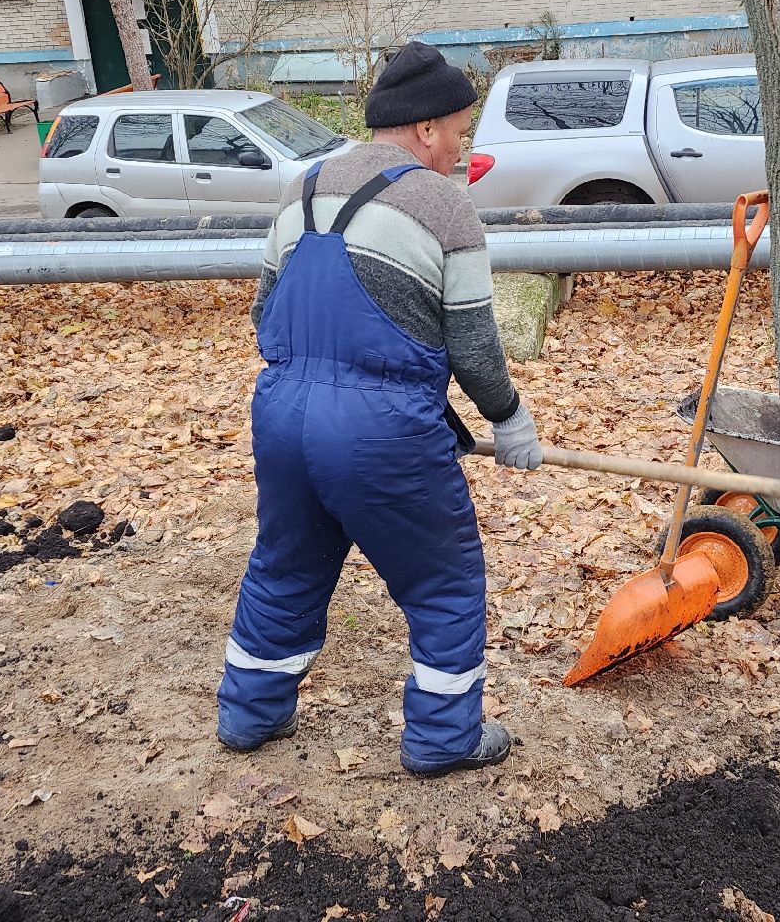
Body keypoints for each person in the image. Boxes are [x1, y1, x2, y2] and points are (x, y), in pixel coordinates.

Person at [216, 42, 543, 777]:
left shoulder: (302, 188)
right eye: (459, 130)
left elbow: (264, 311)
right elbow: (474, 347)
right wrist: (508, 418)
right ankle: (443, 739)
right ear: (426, 128)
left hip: (282, 416)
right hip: (381, 434)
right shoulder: (445, 206)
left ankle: (248, 715)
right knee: (444, 582)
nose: (461, 149)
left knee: (285, 567)